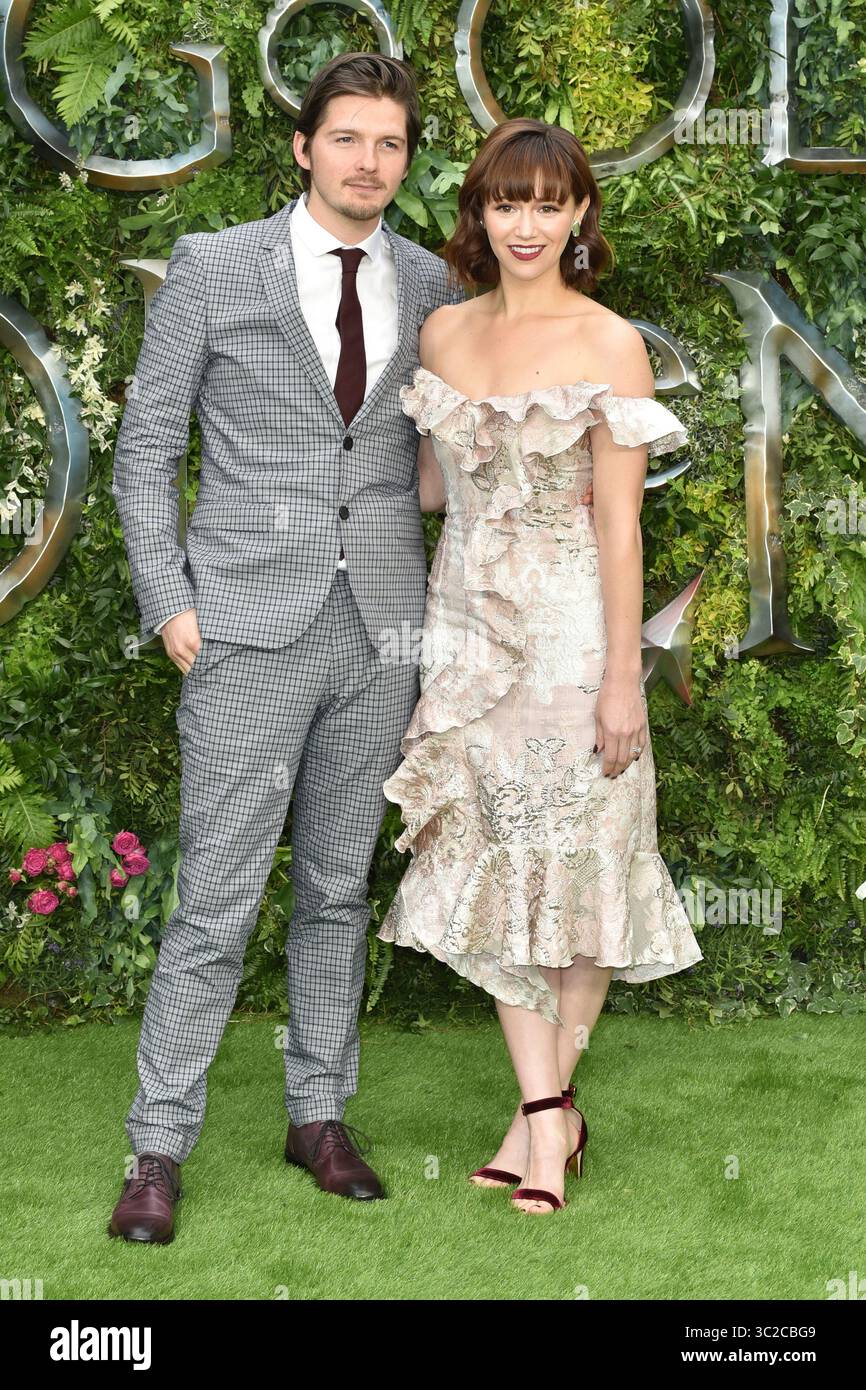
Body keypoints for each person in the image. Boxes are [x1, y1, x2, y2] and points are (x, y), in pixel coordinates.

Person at [108, 51, 470, 1242]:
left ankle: (318, 1113)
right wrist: (170, 600)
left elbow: (435, 456)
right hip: (245, 630)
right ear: (303, 147)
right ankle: (156, 1148)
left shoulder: (427, 283)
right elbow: (147, 444)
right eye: (350, 138)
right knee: (214, 900)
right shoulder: (215, 268)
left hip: (377, 630)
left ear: (406, 162)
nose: (371, 160)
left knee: (332, 889)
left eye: (392, 144)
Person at [377, 117, 703, 1215]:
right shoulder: (441, 336)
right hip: (466, 636)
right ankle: (546, 1112)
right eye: (506, 202)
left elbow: (621, 531)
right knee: (497, 866)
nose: (526, 223)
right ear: (478, 213)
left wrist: (623, 677)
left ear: (577, 216)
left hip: (572, 644)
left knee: (580, 868)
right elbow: (428, 488)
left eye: (547, 203)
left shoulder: (609, 343)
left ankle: (542, 1121)